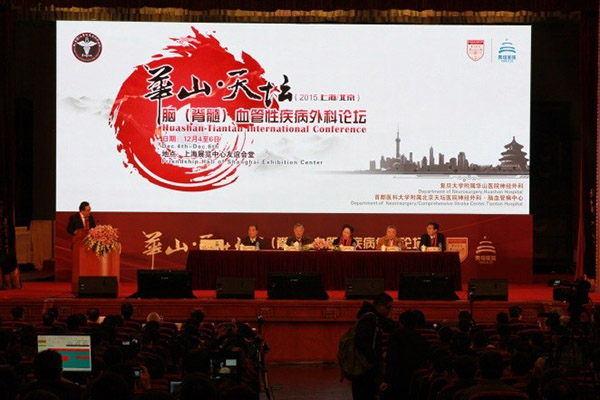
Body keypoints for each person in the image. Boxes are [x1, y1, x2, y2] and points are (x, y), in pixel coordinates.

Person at [351, 292, 394, 400]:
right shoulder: (370, 320)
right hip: (365, 368)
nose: (389, 311)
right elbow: (363, 343)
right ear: (379, 305)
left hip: (363, 368)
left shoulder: (369, 317)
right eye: (388, 307)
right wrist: (375, 357)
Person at [0, 201, 20, 290]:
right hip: (6, 246)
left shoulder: (5, 219)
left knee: (7, 263)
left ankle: (8, 282)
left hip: (6, 247)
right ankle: (9, 282)